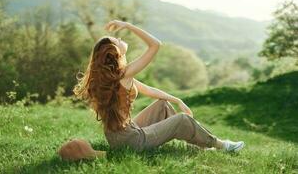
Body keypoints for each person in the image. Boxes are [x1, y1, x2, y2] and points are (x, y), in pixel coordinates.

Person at [58, 20, 244, 161]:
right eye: (118, 40)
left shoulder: (114, 77)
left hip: (120, 137)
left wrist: (177, 100)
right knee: (183, 119)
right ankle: (221, 145)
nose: (121, 39)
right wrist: (127, 25)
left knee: (163, 105)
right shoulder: (124, 74)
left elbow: (146, 89)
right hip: (133, 140)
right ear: (115, 53)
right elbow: (155, 45)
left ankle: (195, 143)